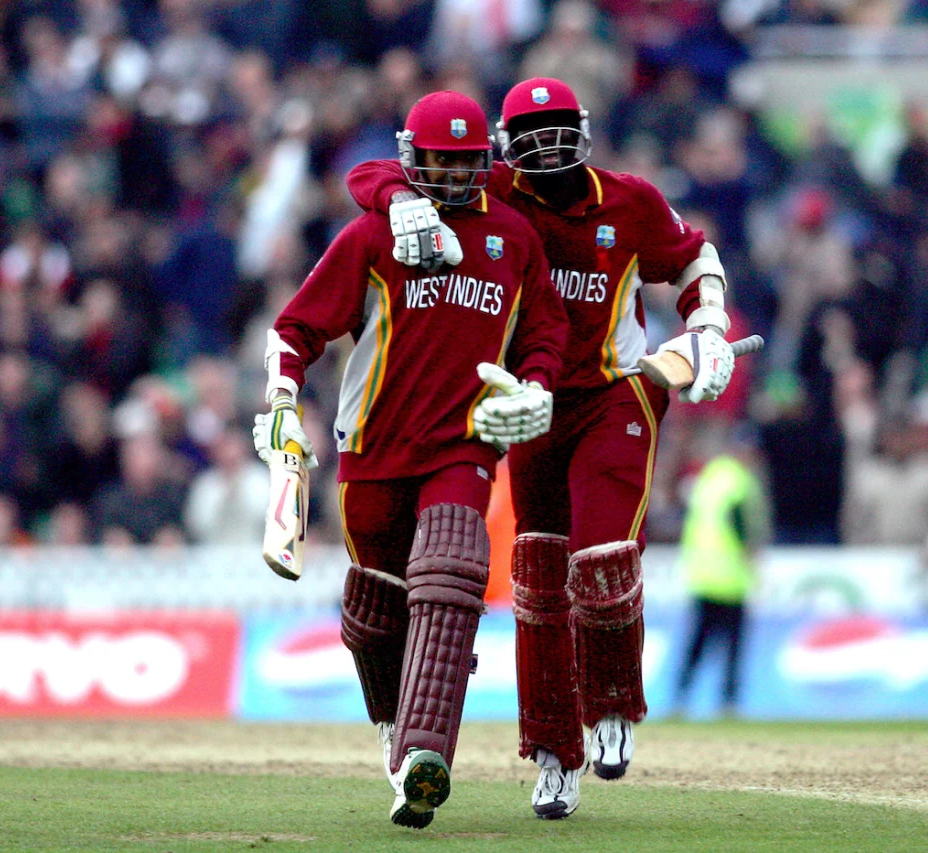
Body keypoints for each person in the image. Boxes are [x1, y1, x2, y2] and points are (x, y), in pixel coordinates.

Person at [347, 77, 742, 819]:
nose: (551, 146)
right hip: (532, 406)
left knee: (601, 563)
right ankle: (556, 753)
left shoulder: (629, 201)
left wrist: (709, 328)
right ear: (509, 142)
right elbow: (371, 174)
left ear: (583, 130)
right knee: (536, 581)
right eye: (537, 132)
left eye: (564, 128)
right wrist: (402, 202)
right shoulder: (496, 189)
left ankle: (614, 706)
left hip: (615, 392)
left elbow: (695, 260)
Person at [253, 90, 568, 829]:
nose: (453, 178)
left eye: (465, 164)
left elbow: (546, 332)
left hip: (465, 440)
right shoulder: (373, 234)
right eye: (436, 163)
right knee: (374, 616)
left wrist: (539, 385)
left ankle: (426, 753)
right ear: (410, 160)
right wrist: (279, 401)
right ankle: (399, 723)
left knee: (453, 572)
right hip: (371, 446)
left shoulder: (514, 237)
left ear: (484, 162)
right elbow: (296, 327)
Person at [674, 431, 770, 716]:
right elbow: (738, 520)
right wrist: (751, 554)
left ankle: (681, 696)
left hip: (702, 576)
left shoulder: (710, 476)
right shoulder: (740, 481)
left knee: (697, 644)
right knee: (733, 647)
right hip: (730, 578)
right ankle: (728, 702)